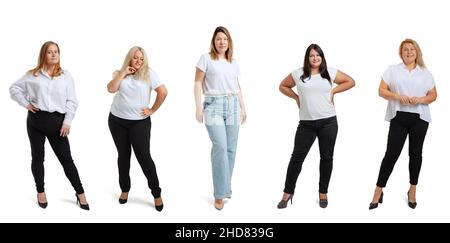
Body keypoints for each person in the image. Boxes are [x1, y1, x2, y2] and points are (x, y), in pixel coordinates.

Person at [9, 41, 90, 210]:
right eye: (49, 52)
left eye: (56, 52)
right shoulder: (33, 75)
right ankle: (40, 191)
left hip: (58, 123)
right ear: (43, 55)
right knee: (38, 158)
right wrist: (26, 103)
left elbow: (72, 101)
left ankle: (80, 192)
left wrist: (67, 122)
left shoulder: (66, 76)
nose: (54, 54)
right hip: (36, 121)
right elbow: (14, 88)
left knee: (66, 160)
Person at [277, 44, 355, 209]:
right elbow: (282, 86)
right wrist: (296, 98)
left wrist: (334, 91)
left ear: (322, 57)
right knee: (297, 158)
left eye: (318, 55)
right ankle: (287, 192)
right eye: (312, 55)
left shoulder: (330, 73)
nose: (315, 58)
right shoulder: (298, 74)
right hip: (306, 124)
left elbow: (351, 82)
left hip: (329, 122)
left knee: (326, 158)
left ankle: (323, 192)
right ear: (307, 57)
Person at [369, 39, 437, 210]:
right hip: (398, 116)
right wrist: (398, 97)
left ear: (417, 52)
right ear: (401, 53)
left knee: (415, 154)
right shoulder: (392, 70)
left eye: (412, 49)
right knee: (391, 155)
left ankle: (412, 190)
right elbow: (381, 91)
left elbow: (433, 95)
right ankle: (378, 190)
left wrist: (421, 99)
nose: (409, 52)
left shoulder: (425, 73)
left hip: (420, 118)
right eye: (405, 49)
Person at [107, 46, 167, 212]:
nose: (139, 61)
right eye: (135, 58)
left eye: (141, 58)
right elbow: (111, 89)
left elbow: (163, 92)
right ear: (129, 59)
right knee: (123, 156)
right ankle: (125, 189)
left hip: (139, 123)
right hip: (117, 120)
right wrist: (123, 73)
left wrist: (152, 110)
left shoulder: (149, 73)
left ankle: (156, 193)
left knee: (144, 157)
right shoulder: (121, 73)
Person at [194, 26, 247, 210]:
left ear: (229, 41)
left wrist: (243, 107)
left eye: (224, 39)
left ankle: (224, 189)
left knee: (231, 149)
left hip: (232, 105)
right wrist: (198, 106)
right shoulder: (206, 58)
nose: (221, 42)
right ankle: (220, 193)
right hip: (213, 105)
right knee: (220, 146)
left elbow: (237, 86)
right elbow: (198, 82)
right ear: (213, 41)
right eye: (218, 39)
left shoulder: (233, 62)